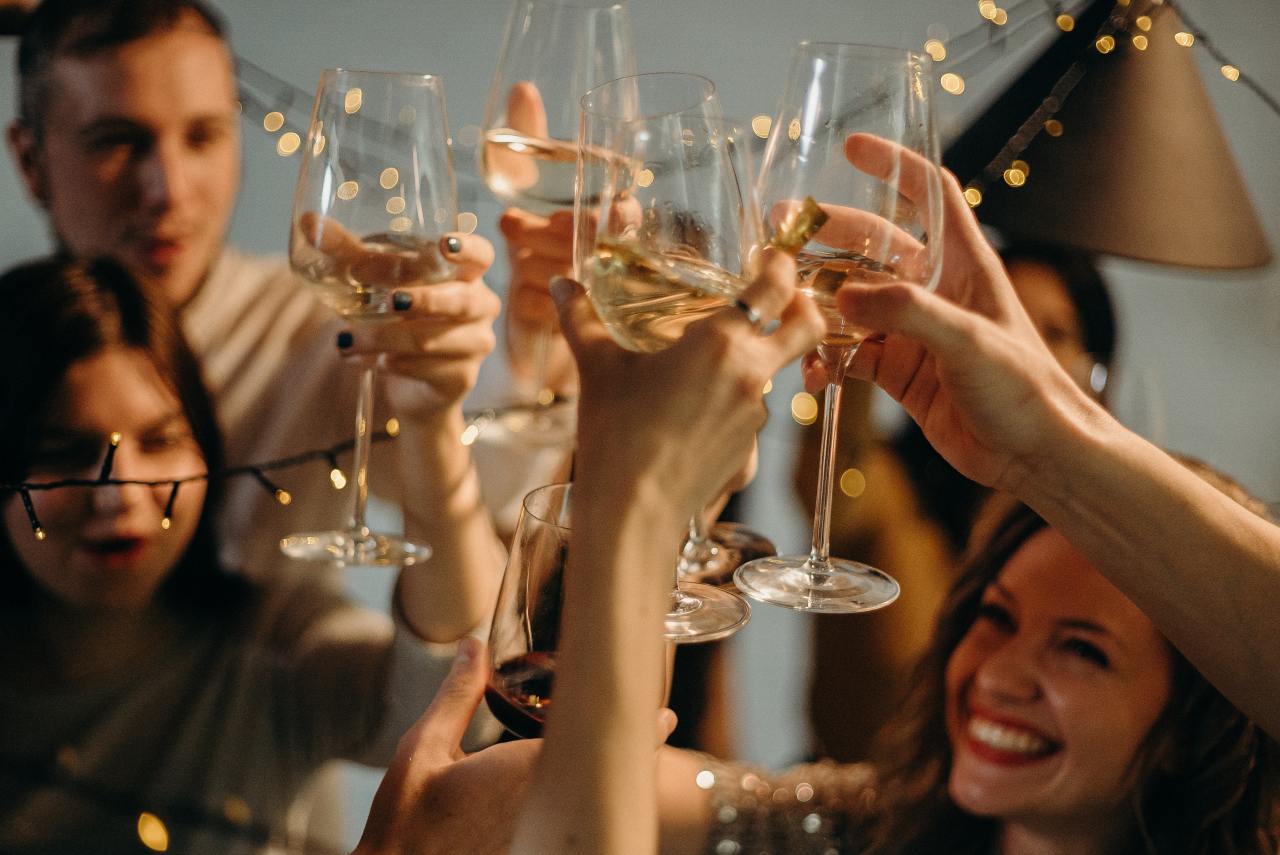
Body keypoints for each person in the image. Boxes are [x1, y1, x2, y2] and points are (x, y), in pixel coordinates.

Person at [347, 133, 1280, 855]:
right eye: (992, 617)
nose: (998, 671)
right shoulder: (865, 823)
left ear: (1197, 724)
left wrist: (637, 493)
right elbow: (546, 802)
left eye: (1083, 650)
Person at [0, 256, 498, 854]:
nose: (119, 493)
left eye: (159, 441)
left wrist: (431, 421)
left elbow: (456, 709)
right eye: (65, 451)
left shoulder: (274, 648)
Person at [6, 0, 506, 591]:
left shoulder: (324, 331)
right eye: (118, 141)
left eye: (203, 136)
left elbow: (503, 493)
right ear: (30, 162)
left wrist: (507, 355)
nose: (169, 189)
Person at [798, 242, 1118, 762]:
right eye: (995, 323)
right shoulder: (887, 486)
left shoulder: (1095, 547)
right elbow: (830, 485)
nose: (1018, 352)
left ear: (1095, 373)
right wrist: (852, 330)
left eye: (1053, 334)